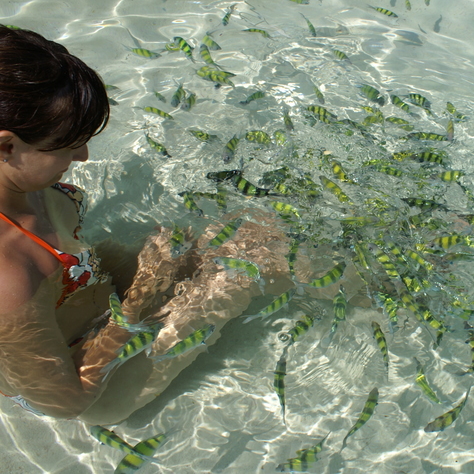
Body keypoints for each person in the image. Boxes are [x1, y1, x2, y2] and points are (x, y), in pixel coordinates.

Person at [0, 25, 297, 424]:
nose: (85, 155)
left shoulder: (24, 183)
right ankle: (382, 295)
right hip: (97, 383)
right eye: (69, 144)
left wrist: (153, 278)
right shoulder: (9, 277)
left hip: (88, 301)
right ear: (6, 146)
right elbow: (65, 402)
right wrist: (137, 302)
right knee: (247, 265)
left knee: (246, 236)